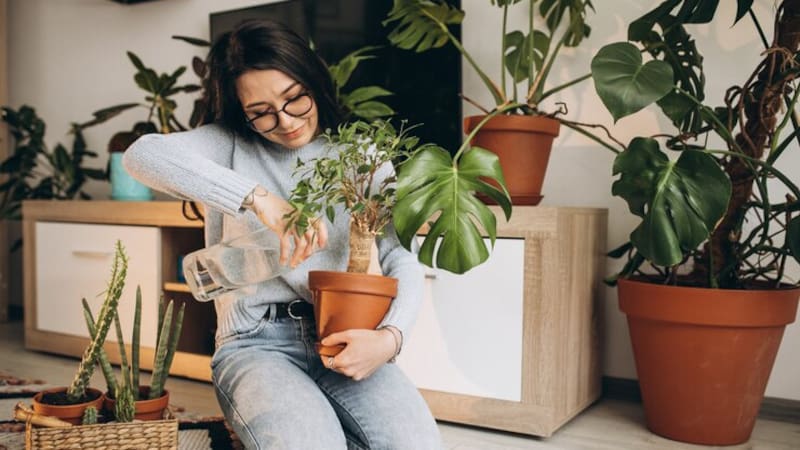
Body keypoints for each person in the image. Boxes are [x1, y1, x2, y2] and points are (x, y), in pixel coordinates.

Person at [123, 19, 441, 450]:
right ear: (241, 111)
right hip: (256, 342)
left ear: (313, 80)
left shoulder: (362, 155)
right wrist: (258, 199)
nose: (286, 121)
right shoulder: (228, 144)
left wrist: (390, 338)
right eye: (261, 113)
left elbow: (400, 254)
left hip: (346, 334)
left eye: (295, 99)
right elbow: (142, 155)